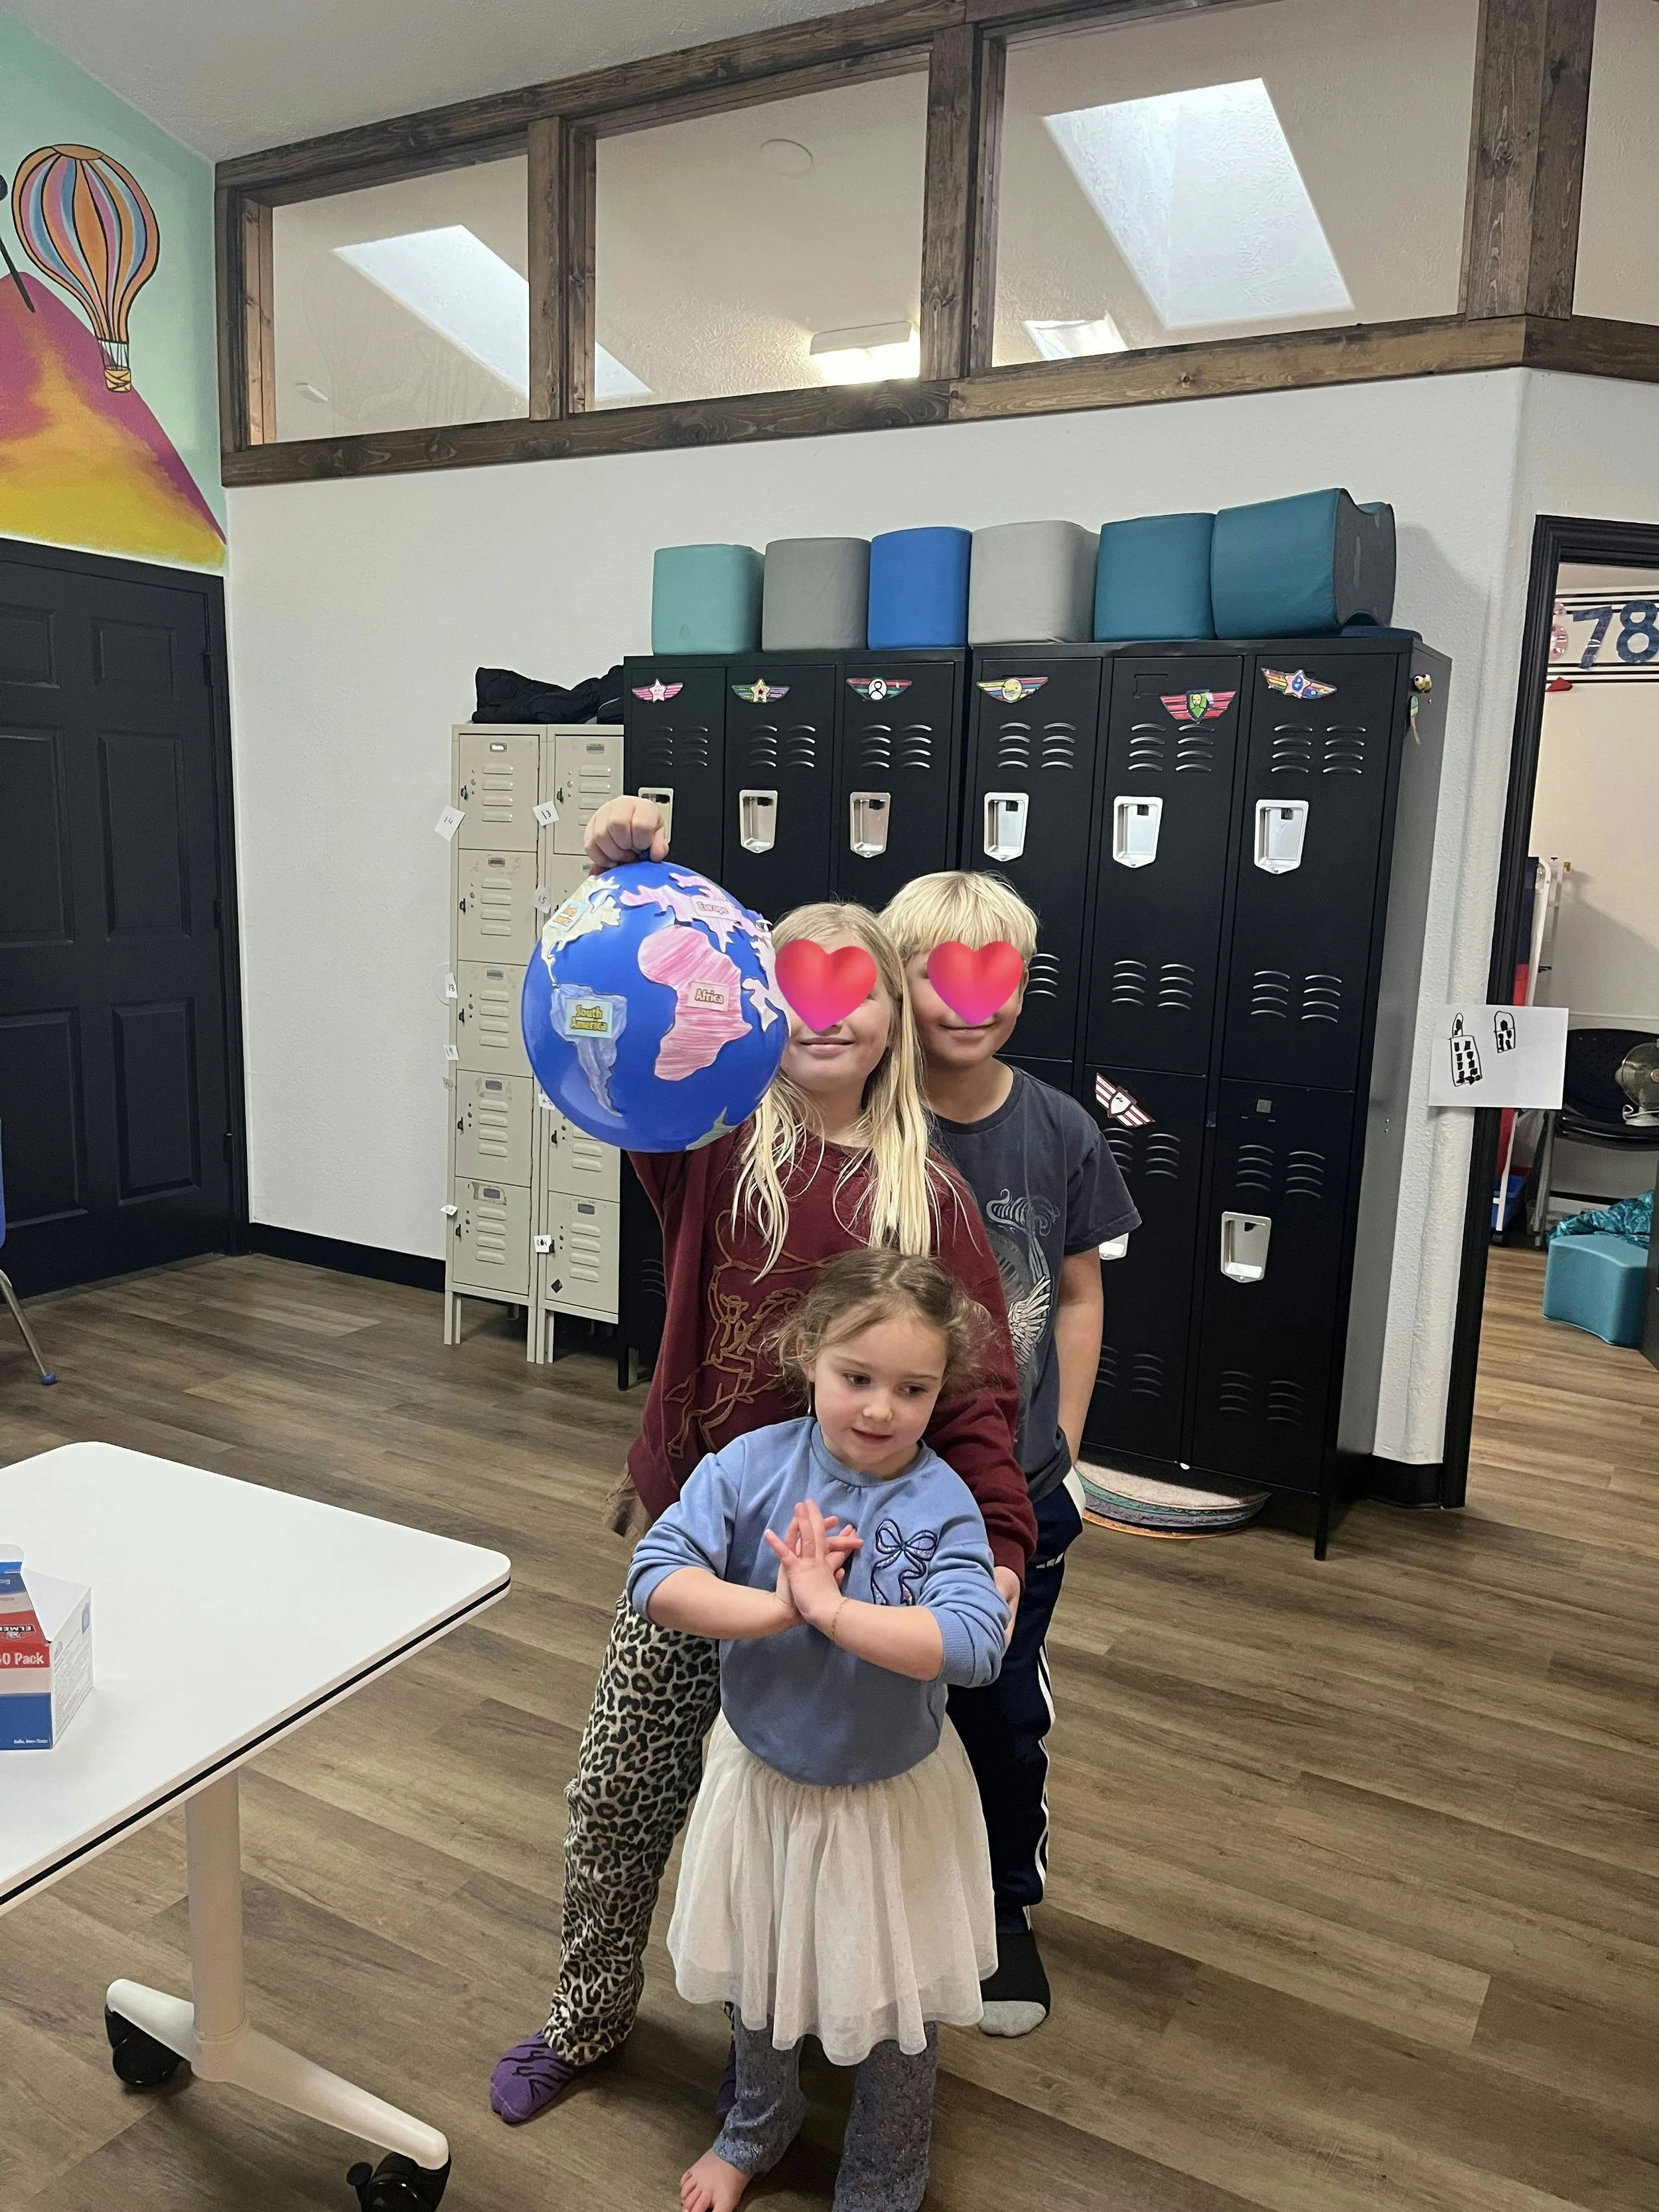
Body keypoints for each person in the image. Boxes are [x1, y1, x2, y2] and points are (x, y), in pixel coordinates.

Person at [489, 797, 1036, 2124]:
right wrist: (623, 878)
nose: (827, 1011)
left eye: (857, 988)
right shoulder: (713, 1141)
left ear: (894, 1019)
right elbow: (623, 1040)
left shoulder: (931, 1196)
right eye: (795, 981)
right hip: (707, 1531)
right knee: (623, 1784)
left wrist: (1004, 1549)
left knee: (827, 1806)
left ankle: (821, 2031)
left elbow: (977, 1393)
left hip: (865, 1556)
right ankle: (587, 2015)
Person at [630, 1248, 1007, 2212]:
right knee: (761, 1973)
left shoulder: (940, 1502)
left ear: (942, 1390)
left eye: (913, 1389)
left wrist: (834, 1612)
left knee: (895, 2010)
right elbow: (656, 1576)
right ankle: (758, 2123)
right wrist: (781, 1609)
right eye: (857, 1378)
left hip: (886, 1803)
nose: (881, 1410)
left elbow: (974, 1643)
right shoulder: (751, 1466)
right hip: (765, 1783)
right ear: (808, 1356)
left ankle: (884, 2177)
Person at [881, 870, 1139, 2037]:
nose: (971, 1000)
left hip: (1013, 1496)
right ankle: (883, 1900)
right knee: (876, 1697)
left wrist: (1066, 1440)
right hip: (877, 1488)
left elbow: (1078, 1293)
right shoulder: (862, 1119)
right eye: (941, 974)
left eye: (998, 976)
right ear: (898, 984)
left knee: (997, 1712)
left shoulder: (1061, 1129)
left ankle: (1000, 1910)